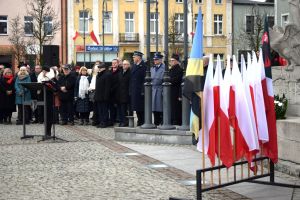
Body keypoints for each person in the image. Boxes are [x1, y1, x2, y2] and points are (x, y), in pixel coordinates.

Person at [38, 66, 58, 136]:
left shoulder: (52, 78)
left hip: (49, 98)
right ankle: (46, 131)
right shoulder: (40, 77)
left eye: (45, 71)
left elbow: (56, 87)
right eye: (43, 71)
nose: (44, 72)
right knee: (44, 114)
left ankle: (48, 131)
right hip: (42, 97)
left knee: (49, 115)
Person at [129, 51, 146, 126]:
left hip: (140, 90)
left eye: (134, 57)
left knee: (141, 107)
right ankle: (140, 120)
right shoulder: (134, 66)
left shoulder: (144, 66)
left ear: (139, 57)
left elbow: (145, 79)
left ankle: (143, 121)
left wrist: (143, 90)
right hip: (134, 89)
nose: (133, 58)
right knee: (136, 107)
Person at [95, 63, 112, 128]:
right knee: (100, 110)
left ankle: (105, 122)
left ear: (104, 68)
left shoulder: (107, 74)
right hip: (99, 96)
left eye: (100, 67)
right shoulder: (99, 75)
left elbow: (107, 87)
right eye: (99, 67)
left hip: (104, 96)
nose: (99, 68)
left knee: (104, 110)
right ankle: (101, 122)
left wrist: (106, 96)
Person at [169, 54, 183, 125]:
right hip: (170, 91)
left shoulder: (179, 70)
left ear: (176, 61)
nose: (171, 62)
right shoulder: (171, 69)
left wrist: (169, 80)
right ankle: (172, 120)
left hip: (176, 91)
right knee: (171, 107)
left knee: (176, 108)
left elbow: (177, 80)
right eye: (171, 60)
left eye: (172, 60)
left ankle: (176, 121)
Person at [117, 60, 131, 127]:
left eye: (125, 64)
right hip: (119, 94)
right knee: (120, 109)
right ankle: (121, 121)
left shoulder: (130, 72)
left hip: (126, 94)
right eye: (123, 64)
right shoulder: (120, 72)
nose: (124, 65)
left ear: (128, 65)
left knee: (124, 109)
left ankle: (125, 121)